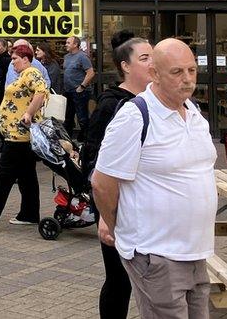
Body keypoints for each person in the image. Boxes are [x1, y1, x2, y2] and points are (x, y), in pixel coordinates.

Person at [92, 39, 216, 319]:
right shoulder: (135, 116)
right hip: (157, 255)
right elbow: (102, 182)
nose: (187, 79)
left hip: (197, 251)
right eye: (177, 72)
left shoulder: (194, 113)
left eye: (192, 71)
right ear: (155, 75)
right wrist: (119, 228)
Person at [85, 32, 153, 319]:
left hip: (150, 209)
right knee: (119, 279)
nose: (153, 63)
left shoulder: (159, 102)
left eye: (154, 56)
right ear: (126, 65)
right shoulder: (112, 105)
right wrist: (104, 212)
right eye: (145, 57)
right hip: (117, 211)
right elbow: (92, 160)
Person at [0, 44, 47, 225]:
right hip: (19, 134)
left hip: (19, 134)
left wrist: (28, 113)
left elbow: (41, 92)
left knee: (4, 172)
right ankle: (29, 214)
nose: (12, 63)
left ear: (26, 59)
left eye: (15, 59)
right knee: (27, 176)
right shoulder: (24, 75)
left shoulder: (31, 72)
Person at [63, 36, 95, 141]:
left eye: (68, 42)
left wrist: (82, 86)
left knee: (82, 118)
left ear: (75, 44)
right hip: (68, 91)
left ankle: (87, 140)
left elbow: (90, 73)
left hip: (79, 92)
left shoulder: (82, 57)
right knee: (68, 118)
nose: (66, 44)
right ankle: (68, 141)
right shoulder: (67, 57)